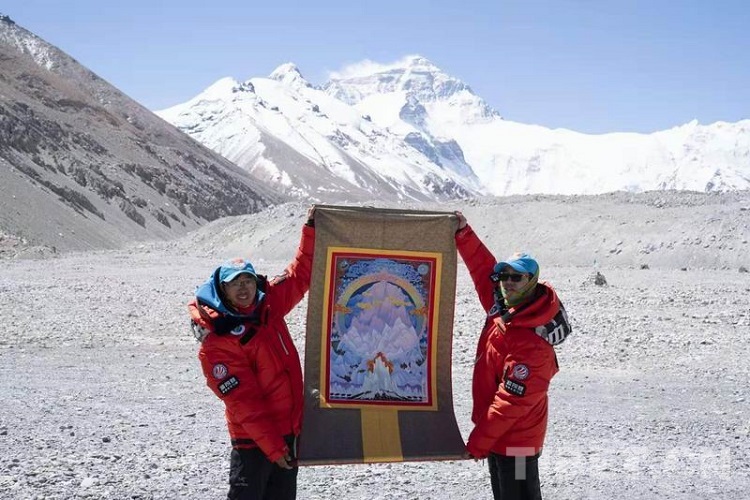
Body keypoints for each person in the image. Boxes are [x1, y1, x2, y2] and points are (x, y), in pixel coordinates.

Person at [188, 207, 315, 500]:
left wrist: (311, 230)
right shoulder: (218, 339)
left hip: (287, 433)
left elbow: (300, 276)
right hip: (253, 443)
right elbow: (244, 402)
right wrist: (274, 448)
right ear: (222, 290)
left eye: (247, 281)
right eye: (234, 283)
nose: (243, 288)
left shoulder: (267, 305)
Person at [455, 211, 571, 500]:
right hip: (499, 436)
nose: (507, 282)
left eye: (516, 277)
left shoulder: (532, 344)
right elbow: (483, 269)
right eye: (504, 276)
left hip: (518, 443)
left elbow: (510, 402)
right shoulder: (506, 307)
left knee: (519, 493)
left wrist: (478, 442)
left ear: (531, 281)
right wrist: (463, 233)